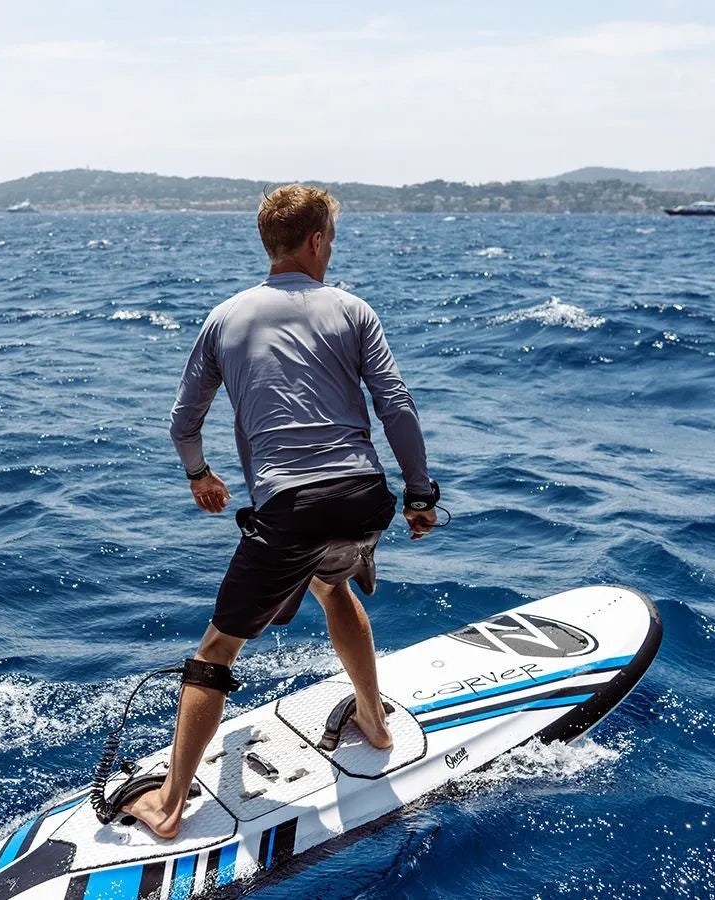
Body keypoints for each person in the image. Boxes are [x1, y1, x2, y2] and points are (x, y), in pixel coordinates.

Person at [121, 184, 438, 840]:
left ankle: (170, 808)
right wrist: (419, 493)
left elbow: (183, 422)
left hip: (292, 508)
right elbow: (397, 404)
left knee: (216, 651)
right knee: (332, 581)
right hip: (363, 496)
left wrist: (199, 475)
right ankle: (375, 725)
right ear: (318, 241)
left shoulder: (225, 318)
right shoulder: (353, 310)